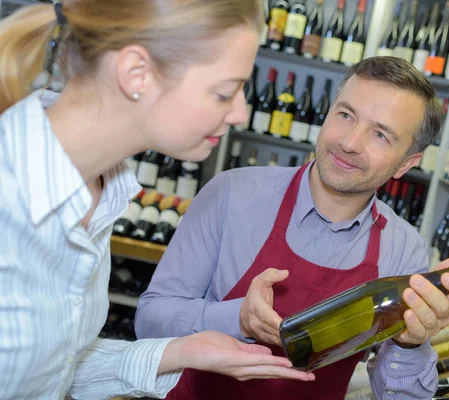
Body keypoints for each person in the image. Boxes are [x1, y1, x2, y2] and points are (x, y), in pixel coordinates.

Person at [0, 1, 316, 399]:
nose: (240, 112)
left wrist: (182, 350)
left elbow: (55, 367)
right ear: (137, 74)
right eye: (224, 92)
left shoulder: (101, 193)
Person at [135, 56, 449, 400]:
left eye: (381, 135)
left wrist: (410, 342)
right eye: (345, 115)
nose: (351, 142)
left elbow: (398, 397)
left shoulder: (404, 249)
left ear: (406, 163)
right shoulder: (231, 195)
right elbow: (150, 319)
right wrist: (237, 318)